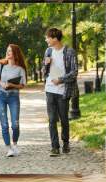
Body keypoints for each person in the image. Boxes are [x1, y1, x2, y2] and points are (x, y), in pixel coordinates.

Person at [42, 28, 78, 156]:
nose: (46, 40)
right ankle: (55, 147)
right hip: (49, 89)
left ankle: (66, 142)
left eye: (48, 37)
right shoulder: (48, 51)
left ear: (55, 38)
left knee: (64, 119)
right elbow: (44, 70)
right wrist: (45, 64)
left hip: (63, 91)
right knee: (52, 120)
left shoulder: (69, 52)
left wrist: (61, 80)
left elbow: (74, 72)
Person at [0, 44, 27, 157]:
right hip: (1, 96)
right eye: (7, 51)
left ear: (15, 53)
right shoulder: (1, 64)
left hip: (14, 97)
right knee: (4, 124)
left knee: (15, 124)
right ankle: (8, 148)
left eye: (10, 51)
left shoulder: (20, 69)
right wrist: (1, 83)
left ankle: (15, 144)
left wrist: (12, 84)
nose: (8, 53)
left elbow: (23, 85)